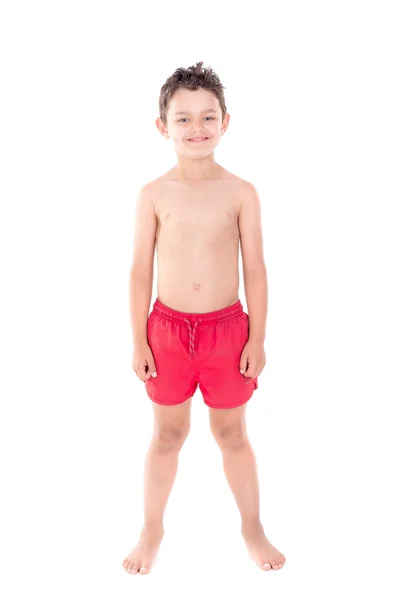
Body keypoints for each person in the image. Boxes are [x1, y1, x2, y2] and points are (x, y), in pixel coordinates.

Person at [122, 62, 286, 575]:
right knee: (167, 434)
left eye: (208, 117)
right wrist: (138, 342)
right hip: (166, 332)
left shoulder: (241, 192)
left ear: (226, 122)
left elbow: (255, 271)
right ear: (162, 126)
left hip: (227, 333)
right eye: (184, 119)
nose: (197, 129)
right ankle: (152, 529)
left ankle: (252, 525)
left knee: (232, 433)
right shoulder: (154, 194)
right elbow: (138, 272)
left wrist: (258, 338)